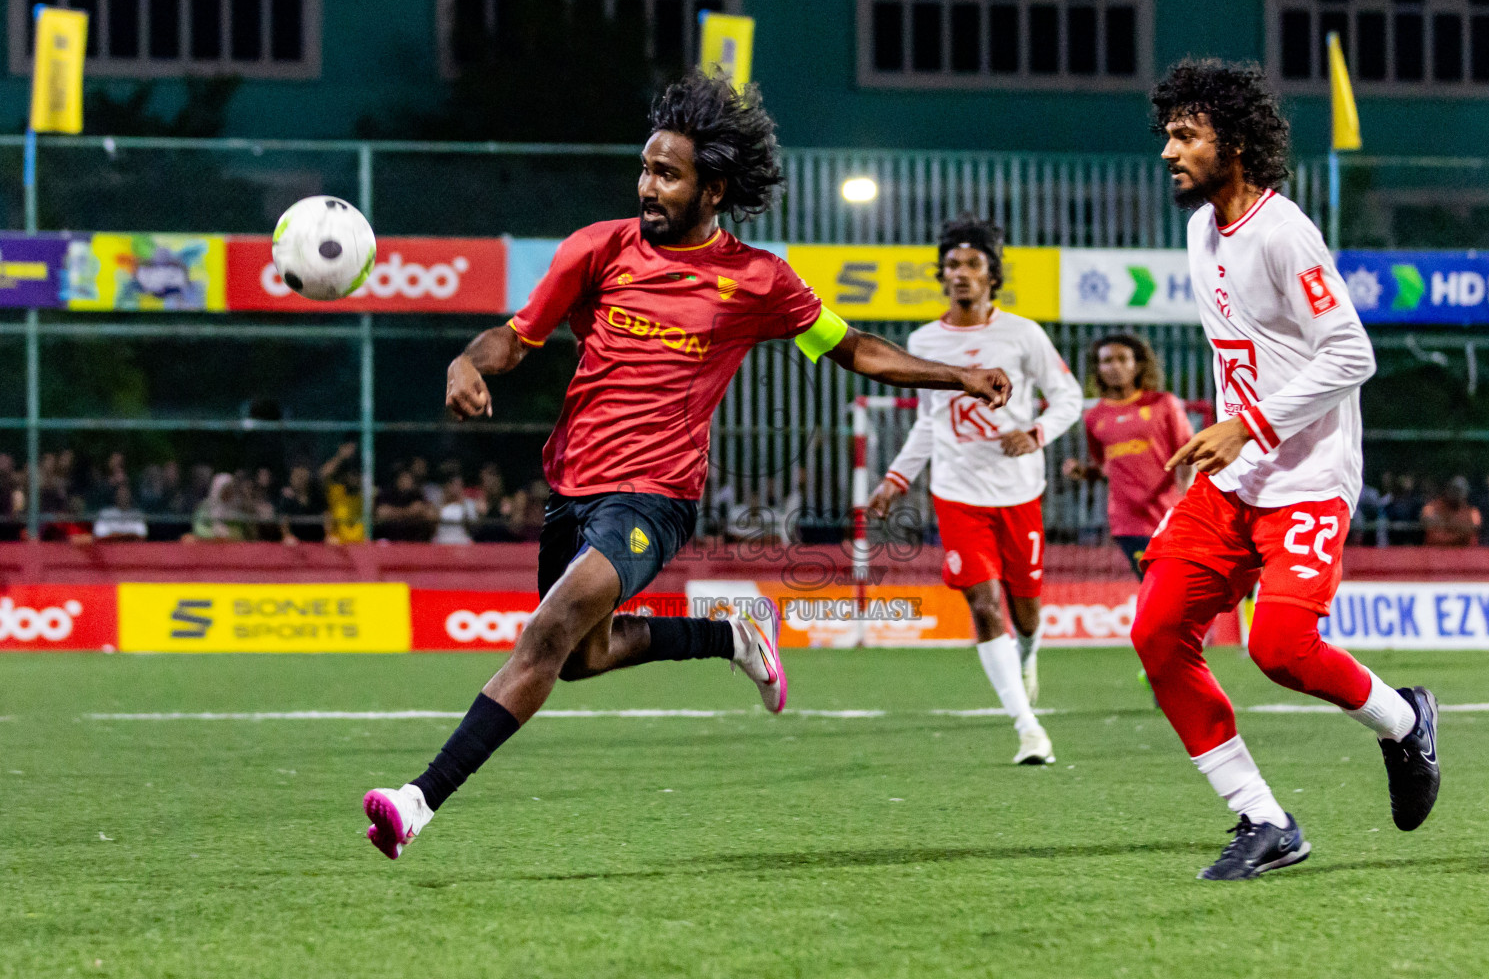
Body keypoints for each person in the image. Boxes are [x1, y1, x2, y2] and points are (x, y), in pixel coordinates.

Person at [362, 70, 1013, 859]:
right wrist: (471, 361)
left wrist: (960, 375)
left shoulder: (758, 280)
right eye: (644, 167)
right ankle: (730, 638)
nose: (647, 185)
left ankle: (416, 801)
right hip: (573, 486)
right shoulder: (596, 248)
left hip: (656, 496)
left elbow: (855, 350)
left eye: (666, 174)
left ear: (715, 188)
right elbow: (514, 335)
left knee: (547, 633)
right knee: (582, 658)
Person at [1131, 59, 1440, 881]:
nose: (1168, 149)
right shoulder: (1201, 230)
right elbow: (1253, 356)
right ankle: (1264, 819)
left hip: (1305, 475)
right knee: (1157, 633)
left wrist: (1248, 425)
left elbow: (1352, 352)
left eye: (1185, 135)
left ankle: (1404, 723)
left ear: (1233, 144)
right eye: (1167, 133)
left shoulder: (1283, 230)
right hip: (1233, 479)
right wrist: (1227, 431)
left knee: (1280, 646)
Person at [867, 215, 1082, 766]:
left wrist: (1035, 434)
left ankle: (1029, 654)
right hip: (958, 494)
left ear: (993, 276)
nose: (960, 273)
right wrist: (897, 477)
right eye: (952, 265)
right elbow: (930, 420)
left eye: (973, 264)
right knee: (985, 606)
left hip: (1018, 493)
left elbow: (1069, 398)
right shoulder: (923, 341)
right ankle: (1028, 728)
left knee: (1026, 612)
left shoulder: (1022, 334)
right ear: (941, 276)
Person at [1062, 334, 1193, 577]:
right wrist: (1083, 472)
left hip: (1172, 517)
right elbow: (1105, 468)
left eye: (1123, 359)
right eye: (1107, 361)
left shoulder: (1164, 404)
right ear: (1098, 369)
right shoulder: (1094, 417)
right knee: (1154, 585)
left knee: (1180, 589)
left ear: (1138, 364)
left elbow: (1187, 453)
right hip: (1128, 522)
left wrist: (1184, 490)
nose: (1115, 366)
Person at [1421, 475, 1480, 547]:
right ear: (1447, 489)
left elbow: (1473, 529)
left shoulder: (1472, 512)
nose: (1457, 493)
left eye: (1460, 490)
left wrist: (1444, 524)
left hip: (1465, 553)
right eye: (1454, 489)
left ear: (1466, 493)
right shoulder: (1431, 508)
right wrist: (1459, 528)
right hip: (1436, 551)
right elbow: (1429, 526)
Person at [432, 473, 478, 545]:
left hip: (461, 541)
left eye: (459, 485)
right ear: (448, 486)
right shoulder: (439, 503)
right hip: (442, 541)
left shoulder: (468, 503)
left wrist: (463, 504)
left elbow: (473, 524)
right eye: (453, 485)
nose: (456, 488)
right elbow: (434, 525)